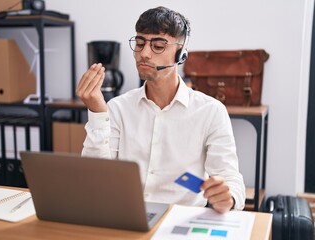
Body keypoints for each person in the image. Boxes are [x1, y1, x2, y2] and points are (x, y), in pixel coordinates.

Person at [76, 6, 245, 213]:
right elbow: (96, 178)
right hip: (128, 215)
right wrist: (97, 112)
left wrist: (229, 197)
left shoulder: (211, 111)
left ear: (180, 54)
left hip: (182, 220)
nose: (144, 54)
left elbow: (231, 179)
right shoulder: (118, 108)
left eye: (157, 46)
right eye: (139, 44)